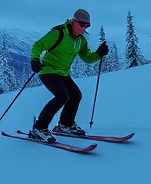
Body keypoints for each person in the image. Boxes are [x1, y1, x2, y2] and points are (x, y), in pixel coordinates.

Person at [28, 9, 109, 143]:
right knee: (62, 96)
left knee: (76, 95)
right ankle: (39, 128)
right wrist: (34, 60)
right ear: (73, 22)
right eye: (81, 24)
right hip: (48, 71)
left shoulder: (81, 40)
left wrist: (99, 53)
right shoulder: (58, 33)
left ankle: (65, 125)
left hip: (63, 73)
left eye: (86, 25)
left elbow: (87, 58)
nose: (83, 28)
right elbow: (39, 45)